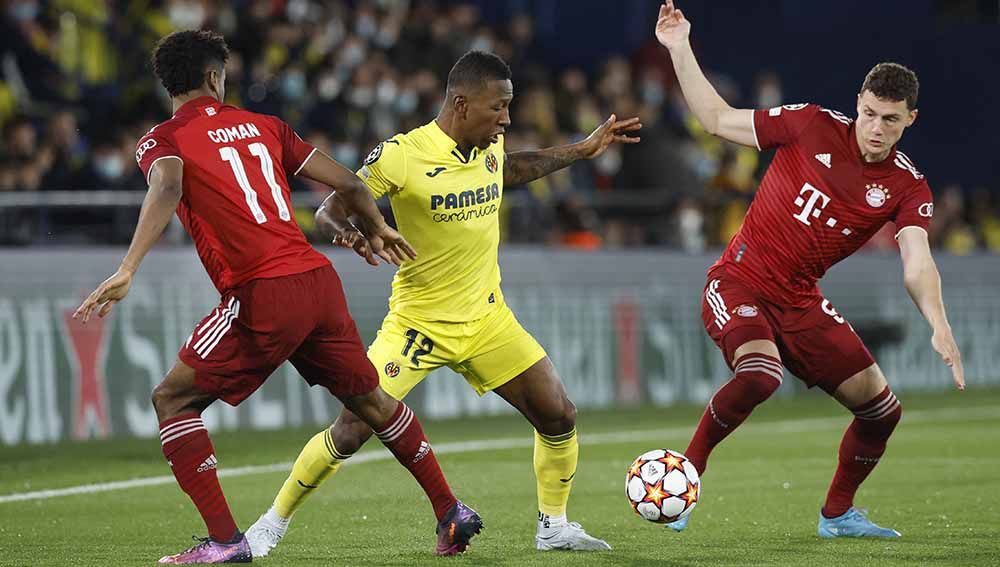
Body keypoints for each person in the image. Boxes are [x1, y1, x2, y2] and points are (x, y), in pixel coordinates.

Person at [73, 30, 482, 564]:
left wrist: (128, 267)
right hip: (318, 281)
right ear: (215, 77)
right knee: (371, 402)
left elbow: (168, 187)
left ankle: (225, 542)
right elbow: (350, 184)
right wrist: (376, 226)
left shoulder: (161, 139)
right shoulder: (266, 126)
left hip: (262, 292)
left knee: (172, 400)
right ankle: (450, 511)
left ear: (168, 83)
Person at [246, 50, 640, 555]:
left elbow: (512, 169)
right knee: (351, 427)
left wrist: (581, 151)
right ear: (461, 103)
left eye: (509, 106)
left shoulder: (489, 149)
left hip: (487, 318)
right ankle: (270, 525)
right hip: (419, 325)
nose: (506, 118)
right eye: (498, 107)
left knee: (559, 414)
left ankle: (554, 527)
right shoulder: (403, 154)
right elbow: (329, 206)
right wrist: (354, 232)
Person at [654, 1, 964, 538]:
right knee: (759, 375)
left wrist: (939, 323)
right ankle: (684, 482)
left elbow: (917, 262)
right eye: (869, 113)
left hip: (799, 300)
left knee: (882, 412)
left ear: (910, 119)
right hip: (740, 280)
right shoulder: (810, 124)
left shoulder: (908, 186)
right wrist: (679, 46)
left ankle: (838, 515)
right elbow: (717, 120)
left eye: (891, 119)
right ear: (858, 104)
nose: (876, 127)